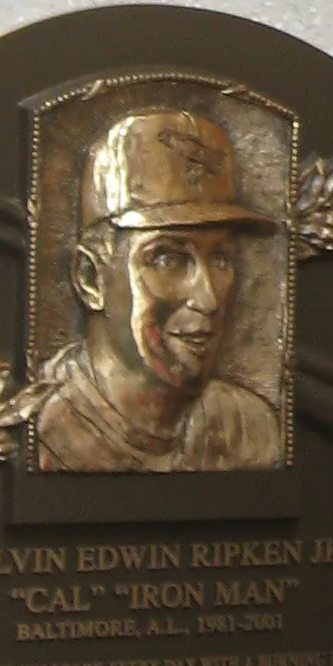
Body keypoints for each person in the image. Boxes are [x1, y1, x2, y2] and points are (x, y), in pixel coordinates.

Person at [36, 104, 285, 470]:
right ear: (91, 279)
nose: (208, 298)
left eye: (221, 259)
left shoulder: (249, 430)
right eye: (168, 259)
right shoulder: (41, 432)